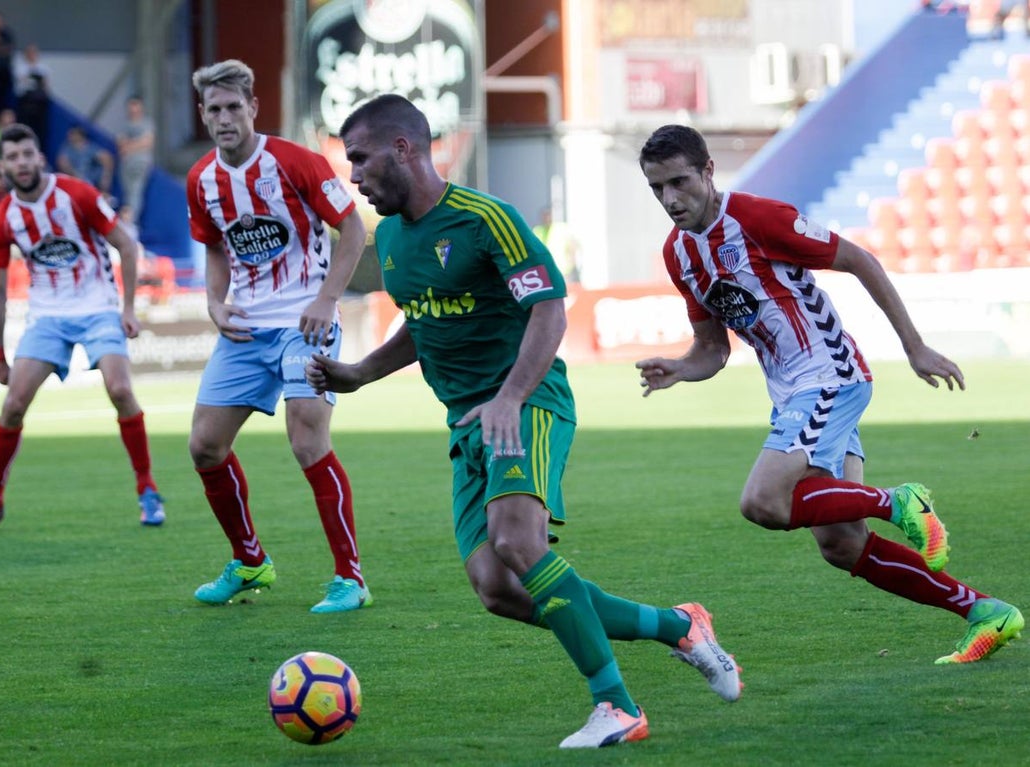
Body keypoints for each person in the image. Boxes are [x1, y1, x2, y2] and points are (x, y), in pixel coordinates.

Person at [306, 94, 742, 749]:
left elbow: (550, 309)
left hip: (528, 401)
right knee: (497, 587)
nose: (354, 177)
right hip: (468, 424)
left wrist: (510, 395)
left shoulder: (487, 219)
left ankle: (617, 705)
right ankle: (678, 625)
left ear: (403, 150)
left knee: (518, 540)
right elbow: (424, 325)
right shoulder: (391, 239)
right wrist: (362, 372)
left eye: (361, 159)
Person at [635, 124, 1023, 665]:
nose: (670, 199)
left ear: (707, 171)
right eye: (657, 188)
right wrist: (679, 367)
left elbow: (859, 260)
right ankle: (985, 612)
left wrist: (914, 347)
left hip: (830, 376)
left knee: (763, 502)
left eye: (679, 182)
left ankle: (899, 500)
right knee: (842, 544)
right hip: (794, 393)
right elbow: (712, 350)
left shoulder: (760, 219)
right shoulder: (680, 255)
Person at [184, 59, 371, 614]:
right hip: (245, 330)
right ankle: (249, 561)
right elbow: (216, 246)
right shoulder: (201, 180)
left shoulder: (294, 162)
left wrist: (327, 298)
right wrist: (215, 303)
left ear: (253, 108)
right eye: (214, 109)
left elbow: (354, 226)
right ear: (203, 114)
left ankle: (350, 579)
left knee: (306, 439)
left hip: (304, 323)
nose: (224, 118)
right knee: (204, 446)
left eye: (233, 107)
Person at [0, 122, 166, 532]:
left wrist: (129, 307)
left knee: (120, 389)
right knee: (13, 405)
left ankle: (147, 489)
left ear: (39, 156)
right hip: (47, 316)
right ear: (2, 165)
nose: (22, 162)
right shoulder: (3, 218)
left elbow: (126, 245)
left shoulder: (76, 193)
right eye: (12, 157)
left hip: (99, 306)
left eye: (27, 154)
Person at [116, 95, 153, 224]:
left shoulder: (146, 123)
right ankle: (127, 222)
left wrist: (130, 145)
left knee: (135, 194)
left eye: (136, 105)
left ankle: (131, 223)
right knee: (127, 194)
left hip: (140, 163)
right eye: (131, 106)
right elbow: (121, 144)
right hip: (126, 164)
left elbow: (148, 142)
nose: (133, 109)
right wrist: (136, 144)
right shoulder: (124, 125)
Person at [57, 125, 114, 198]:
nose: (70, 136)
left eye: (73, 134)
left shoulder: (90, 147)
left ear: (80, 135)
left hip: (94, 182)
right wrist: (74, 174)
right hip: (76, 181)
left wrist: (106, 176)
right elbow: (62, 161)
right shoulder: (67, 148)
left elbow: (107, 158)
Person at [532, 206, 581, 284]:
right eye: (545, 216)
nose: (547, 218)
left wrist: (572, 261)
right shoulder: (538, 230)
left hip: (563, 270)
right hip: (545, 270)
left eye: (549, 216)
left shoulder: (562, 228)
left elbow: (573, 244)